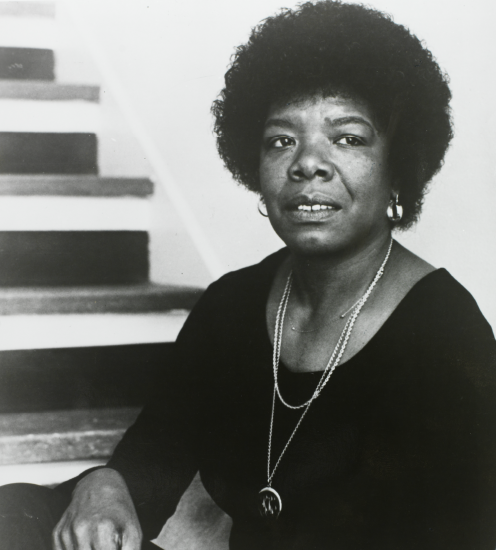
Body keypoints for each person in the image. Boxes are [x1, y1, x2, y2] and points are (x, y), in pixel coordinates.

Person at [1, 1, 496, 549]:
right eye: (282, 140)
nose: (308, 163)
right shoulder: (232, 306)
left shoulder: (446, 337)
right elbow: (148, 465)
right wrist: (104, 483)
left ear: (399, 166)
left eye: (348, 138)